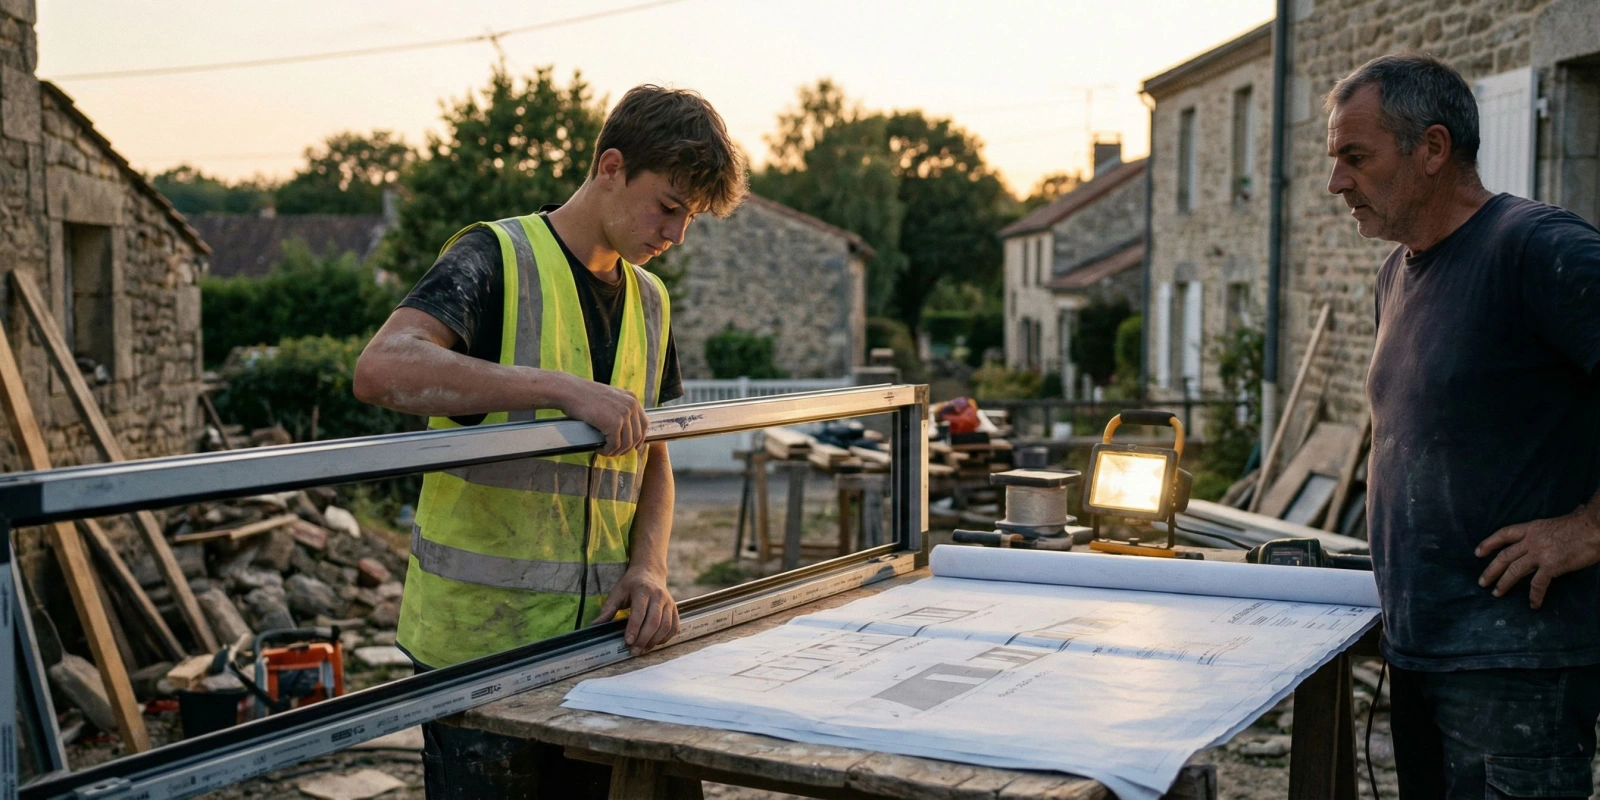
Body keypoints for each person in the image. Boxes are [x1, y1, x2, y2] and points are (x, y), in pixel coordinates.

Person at [352, 84, 747, 799]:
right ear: (611, 166)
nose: (677, 234)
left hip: (598, 642)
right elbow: (382, 369)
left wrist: (650, 569)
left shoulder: (651, 301)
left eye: (690, 218)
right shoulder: (495, 257)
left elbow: (652, 457)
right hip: (475, 655)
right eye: (668, 206)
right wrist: (558, 386)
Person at [1324, 53, 1600, 798]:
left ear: (1433, 149)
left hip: (1517, 665)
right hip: (1421, 652)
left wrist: (1587, 529)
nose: (1336, 183)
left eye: (1356, 156)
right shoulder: (1397, 273)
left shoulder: (1537, 248)